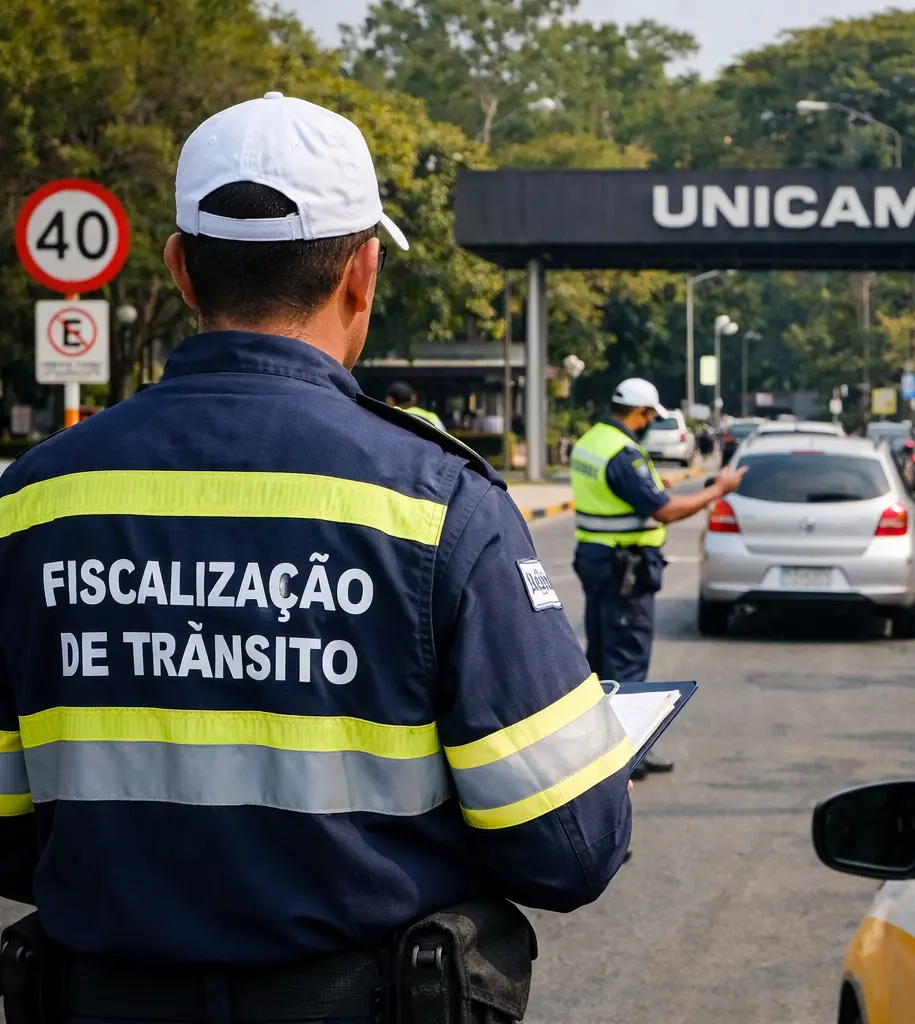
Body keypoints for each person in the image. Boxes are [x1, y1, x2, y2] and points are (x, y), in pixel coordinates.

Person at [0, 92, 631, 1021]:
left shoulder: (33, 499)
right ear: (362, 273)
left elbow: (10, 831)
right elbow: (571, 845)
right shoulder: (438, 503)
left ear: (180, 268)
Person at [571, 379, 744, 777]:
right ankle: (627, 755)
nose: (651, 424)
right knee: (627, 658)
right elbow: (664, 511)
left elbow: (614, 491)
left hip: (595, 558)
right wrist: (718, 490)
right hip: (623, 568)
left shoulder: (591, 441)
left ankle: (595, 749)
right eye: (651, 416)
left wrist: (653, 484)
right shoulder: (623, 453)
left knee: (600, 655)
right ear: (641, 413)